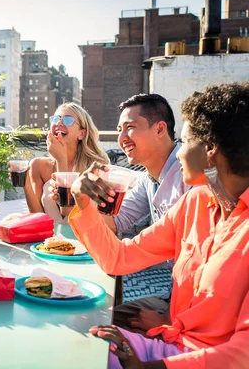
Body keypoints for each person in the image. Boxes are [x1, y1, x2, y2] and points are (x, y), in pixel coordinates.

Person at [69, 82, 249, 369]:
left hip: (192, 359)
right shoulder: (196, 204)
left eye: (187, 141)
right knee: (75, 335)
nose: (178, 153)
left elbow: (242, 355)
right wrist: (82, 200)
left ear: (211, 149)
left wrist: (150, 366)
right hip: (170, 342)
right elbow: (119, 258)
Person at [52, 94, 193, 327]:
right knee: (88, 313)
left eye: (130, 128)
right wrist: (82, 199)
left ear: (160, 129)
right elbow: (117, 222)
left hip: (190, 304)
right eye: (119, 129)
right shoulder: (150, 179)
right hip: (175, 292)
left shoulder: (191, 180)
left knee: (89, 318)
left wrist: (170, 318)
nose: (122, 138)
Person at [13, 103, 109, 229]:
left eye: (68, 120)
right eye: (56, 119)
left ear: (82, 134)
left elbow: (67, 213)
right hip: (47, 243)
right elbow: (38, 218)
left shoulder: (96, 167)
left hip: (84, 241)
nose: (59, 123)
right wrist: (26, 184)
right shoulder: (38, 166)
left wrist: (61, 160)